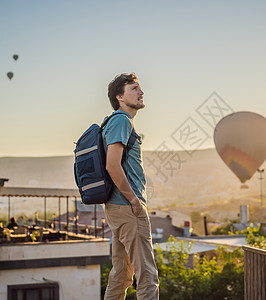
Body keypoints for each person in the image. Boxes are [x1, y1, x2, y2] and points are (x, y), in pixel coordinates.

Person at [102, 73, 159, 300]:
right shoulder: (121, 120)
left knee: (122, 275)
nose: (141, 92)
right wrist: (134, 200)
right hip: (128, 207)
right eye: (134, 88)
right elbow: (112, 165)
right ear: (120, 97)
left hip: (117, 207)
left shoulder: (115, 121)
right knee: (147, 275)